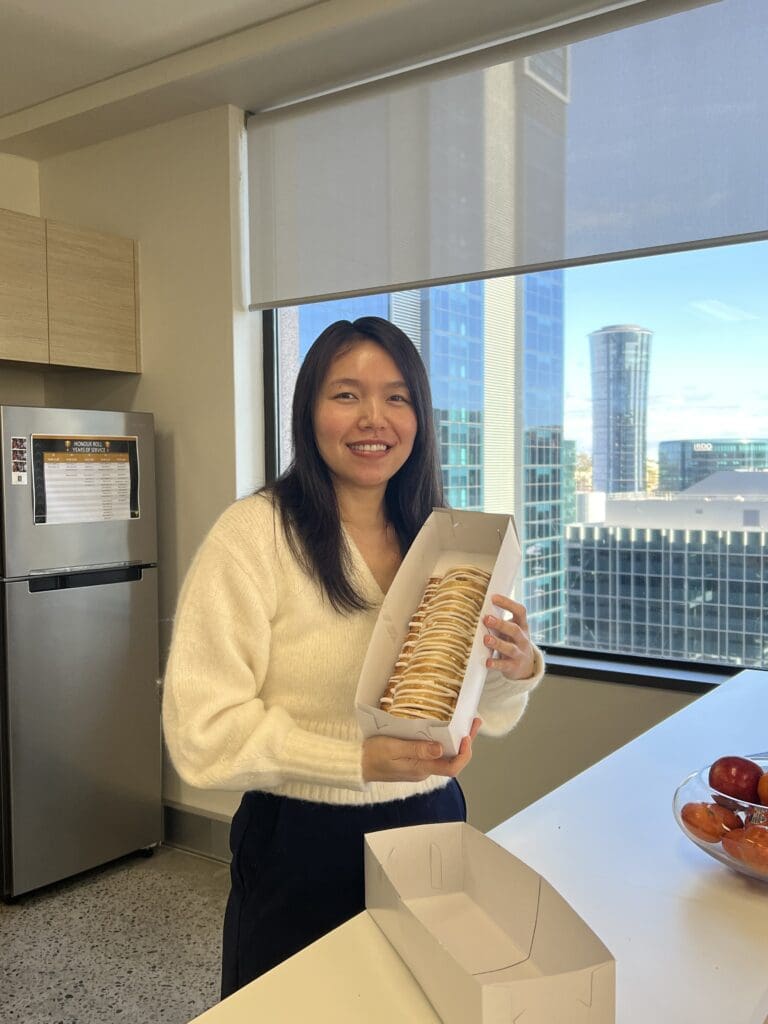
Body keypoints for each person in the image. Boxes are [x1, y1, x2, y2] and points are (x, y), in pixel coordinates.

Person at [162, 316, 545, 998]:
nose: (375, 418)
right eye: (346, 395)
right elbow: (201, 734)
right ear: (308, 410)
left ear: (420, 418)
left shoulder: (444, 542)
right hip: (302, 842)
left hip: (431, 823)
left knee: (428, 1004)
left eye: (397, 397)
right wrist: (353, 760)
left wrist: (512, 670)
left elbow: (472, 708)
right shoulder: (253, 536)